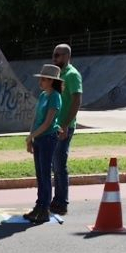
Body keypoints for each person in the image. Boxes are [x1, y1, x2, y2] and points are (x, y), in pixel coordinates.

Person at [23, 64, 62, 224]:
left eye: (44, 79)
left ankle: (44, 208)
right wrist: (30, 138)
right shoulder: (43, 96)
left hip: (47, 139)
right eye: (41, 78)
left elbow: (48, 123)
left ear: (52, 81)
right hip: (38, 138)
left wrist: (32, 136)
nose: (41, 82)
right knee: (40, 175)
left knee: (45, 175)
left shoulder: (55, 97)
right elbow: (36, 119)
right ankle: (39, 206)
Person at [50, 43, 83, 215]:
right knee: (54, 164)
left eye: (58, 55)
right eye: (54, 55)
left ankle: (62, 202)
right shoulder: (57, 74)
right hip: (54, 126)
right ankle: (56, 199)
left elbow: (77, 101)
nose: (54, 58)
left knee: (60, 165)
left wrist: (64, 125)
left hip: (65, 127)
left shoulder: (72, 75)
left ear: (67, 56)